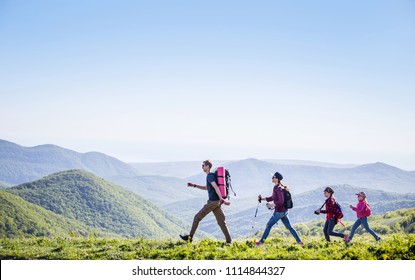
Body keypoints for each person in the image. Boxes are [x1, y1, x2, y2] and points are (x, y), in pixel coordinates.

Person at [179, 160, 232, 244]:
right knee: (222, 222)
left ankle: (190, 238)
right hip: (217, 202)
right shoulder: (211, 176)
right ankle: (229, 241)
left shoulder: (210, 176)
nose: (202, 167)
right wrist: (194, 185)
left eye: (203, 165)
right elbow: (207, 188)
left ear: (207, 166)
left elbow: (216, 187)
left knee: (197, 218)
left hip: (213, 202)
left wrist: (222, 199)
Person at [255, 172, 303, 246]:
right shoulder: (277, 187)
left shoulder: (278, 188)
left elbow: (281, 201)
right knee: (289, 227)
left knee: (268, 225)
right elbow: (273, 197)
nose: (272, 178)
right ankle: (299, 242)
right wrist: (262, 198)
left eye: (273, 177)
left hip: (279, 212)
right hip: (284, 212)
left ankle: (261, 242)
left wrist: (272, 205)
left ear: (277, 179)